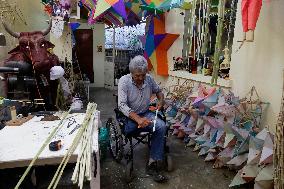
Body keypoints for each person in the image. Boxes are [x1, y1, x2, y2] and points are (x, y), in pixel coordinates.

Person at [118, 55, 167, 183]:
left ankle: (153, 162)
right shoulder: (124, 81)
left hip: (146, 113)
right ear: (131, 73)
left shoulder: (149, 79)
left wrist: (161, 101)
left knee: (161, 127)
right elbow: (122, 105)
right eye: (137, 75)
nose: (140, 78)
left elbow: (159, 91)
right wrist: (138, 119)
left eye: (143, 75)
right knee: (129, 130)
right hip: (130, 116)